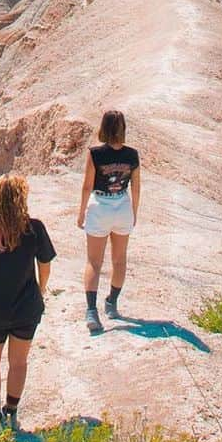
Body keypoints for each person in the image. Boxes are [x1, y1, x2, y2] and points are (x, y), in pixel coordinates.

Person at [0, 173, 56, 428]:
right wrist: (41, 288)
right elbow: (45, 263)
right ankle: (12, 412)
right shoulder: (34, 228)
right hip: (26, 308)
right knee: (18, 363)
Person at [78, 109, 140, 334]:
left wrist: (81, 212)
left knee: (94, 262)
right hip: (122, 205)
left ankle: (92, 311)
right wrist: (134, 212)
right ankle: (112, 304)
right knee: (119, 260)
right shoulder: (132, 155)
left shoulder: (95, 154)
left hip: (100, 205)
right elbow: (136, 186)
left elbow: (87, 186)